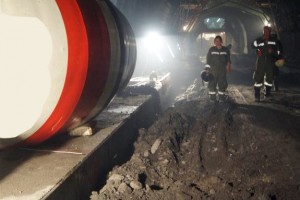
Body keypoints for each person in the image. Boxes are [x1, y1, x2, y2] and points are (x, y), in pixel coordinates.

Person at [252, 26, 282, 102]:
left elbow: (278, 52)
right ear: (263, 32)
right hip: (261, 61)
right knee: (258, 78)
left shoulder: (274, 41)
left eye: (268, 31)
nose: (266, 33)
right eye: (265, 31)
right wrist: (257, 51)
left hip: (270, 61)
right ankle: (257, 96)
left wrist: (273, 52)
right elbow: (252, 45)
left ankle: (267, 94)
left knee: (269, 78)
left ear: (270, 32)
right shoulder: (258, 40)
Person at [206, 35, 231, 102]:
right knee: (212, 84)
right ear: (214, 42)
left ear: (221, 41)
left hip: (222, 70)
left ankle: (221, 98)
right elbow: (208, 60)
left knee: (222, 84)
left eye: (219, 41)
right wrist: (207, 69)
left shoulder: (226, 50)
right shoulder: (211, 49)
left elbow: (228, 60)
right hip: (213, 70)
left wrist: (228, 67)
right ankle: (212, 98)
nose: (217, 42)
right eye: (216, 41)